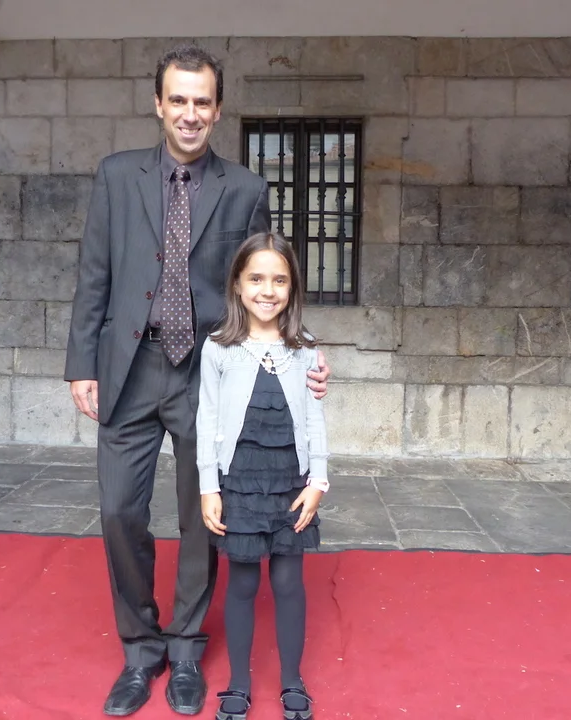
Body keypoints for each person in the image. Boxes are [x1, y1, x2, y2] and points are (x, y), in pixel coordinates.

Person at [64, 45, 330, 717]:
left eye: (202, 101)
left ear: (217, 109)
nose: (189, 113)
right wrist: (81, 364)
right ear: (158, 104)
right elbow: (95, 274)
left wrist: (303, 357)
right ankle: (140, 648)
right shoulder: (117, 175)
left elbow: (266, 281)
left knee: (201, 514)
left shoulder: (244, 189)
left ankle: (185, 648)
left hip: (208, 373)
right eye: (178, 99)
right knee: (119, 511)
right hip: (128, 368)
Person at [197, 232, 328, 720]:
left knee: (289, 581)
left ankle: (292, 679)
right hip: (240, 480)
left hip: (291, 480)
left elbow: (315, 419)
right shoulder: (219, 348)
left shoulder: (305, 349)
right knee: (243, 582)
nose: (267, 290)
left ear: (292, 288)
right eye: (255, 279)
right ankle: (238, 683)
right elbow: (207, 419)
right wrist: (209, 486)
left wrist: (318, 481)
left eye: (279, 280)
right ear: (237, 284)